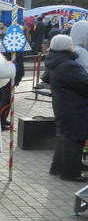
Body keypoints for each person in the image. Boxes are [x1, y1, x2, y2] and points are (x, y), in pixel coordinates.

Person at [42, 35, 88, 182]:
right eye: (71, 44)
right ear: (67, 47)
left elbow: (45, 78)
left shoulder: (54, 61)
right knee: (74, 137)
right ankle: (70, 173)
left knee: (64, 136)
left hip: (63, 105)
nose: (73, 46)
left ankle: (57, 167)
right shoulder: (69, 65)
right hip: (75, 107)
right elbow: (85, 85)